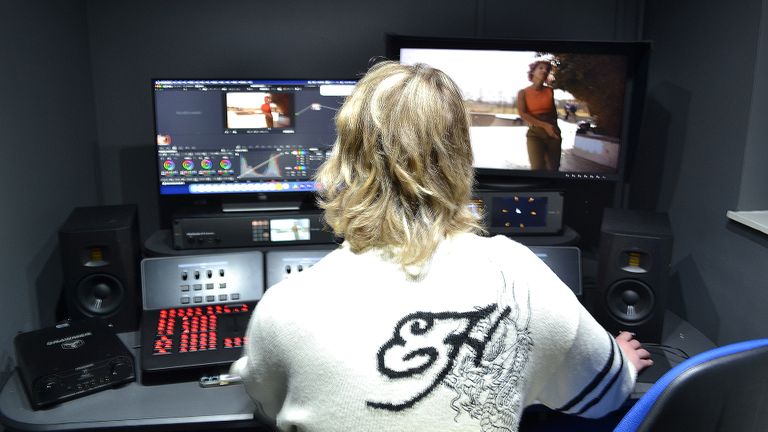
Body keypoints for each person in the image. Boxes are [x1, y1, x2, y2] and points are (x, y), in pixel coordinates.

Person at [231, 61, 652, 432]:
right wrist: (623, 363)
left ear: (344, 160)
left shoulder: (285, 304)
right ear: (460, 157)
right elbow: (606, 394)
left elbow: (267, 405)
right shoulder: (520, 274)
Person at [517, 60, 562, 171]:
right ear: (532, 72)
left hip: (552, 133)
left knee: (554, 168)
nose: (544, 70)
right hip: (534, 134)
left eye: (547, 69)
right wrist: (544, 125)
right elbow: (523, 114)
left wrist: (555, 130)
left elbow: (553, 112)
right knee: (537, 168)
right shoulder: (523, 92)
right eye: (541, 68)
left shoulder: (550, 91)